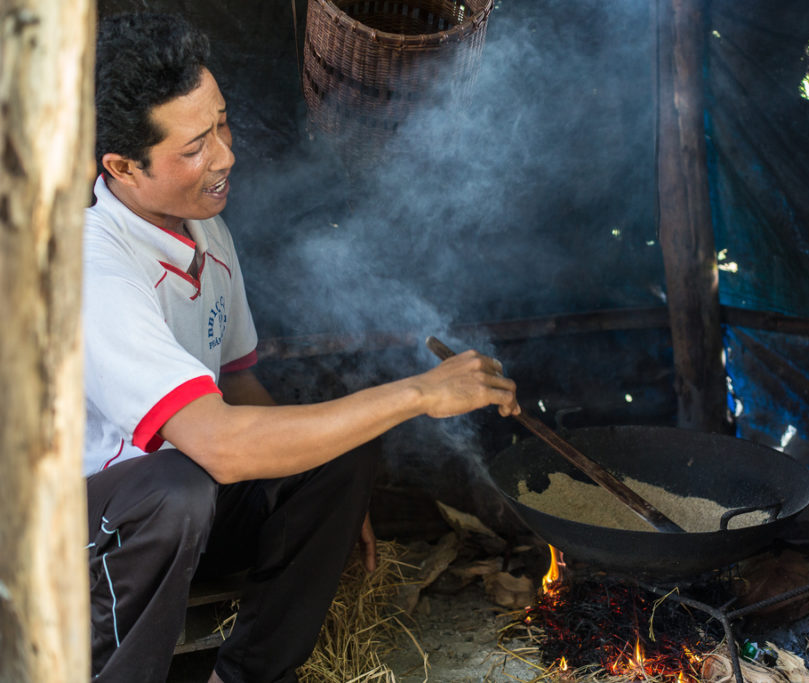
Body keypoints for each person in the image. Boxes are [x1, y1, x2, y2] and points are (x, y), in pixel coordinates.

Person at [83, 12, 519, 683]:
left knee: (337, 452)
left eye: (222, 123)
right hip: (84, 539)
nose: (226, 154)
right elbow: (222, 444)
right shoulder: (94, 264)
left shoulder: (207, 233)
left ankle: (249, 675)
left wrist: (325, 503)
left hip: (187, 512)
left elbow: (242, 386)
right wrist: (419, 393)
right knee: (179, 487)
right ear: (121, 166)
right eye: (194, 146)